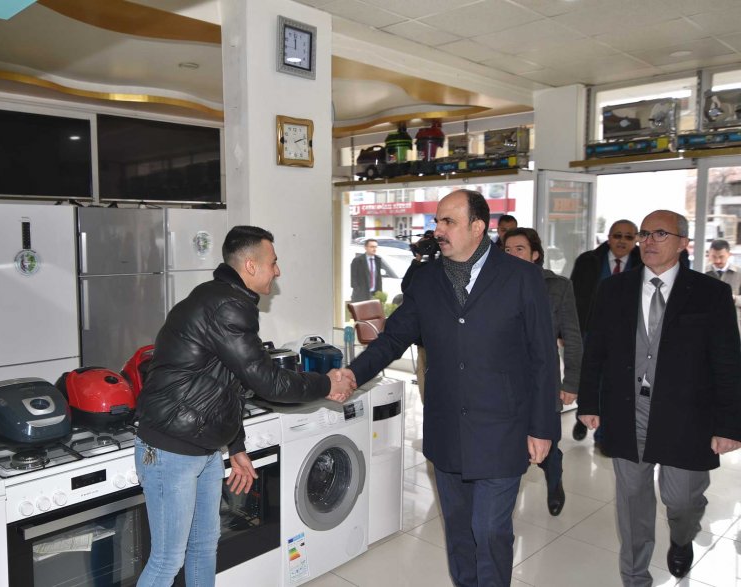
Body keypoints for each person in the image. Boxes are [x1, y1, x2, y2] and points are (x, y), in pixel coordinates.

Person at [344, 190, 559, 587]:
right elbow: (393, 338)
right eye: (437, 221)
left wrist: (543, 427)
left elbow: (543, 357)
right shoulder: (427, 279)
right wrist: (352, 375)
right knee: (458, 531)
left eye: (448, 222)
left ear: (478, 227)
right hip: (447, 430)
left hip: (502, 429)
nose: (438, 230)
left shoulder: (521, 277)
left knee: (489, 530)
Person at [134, 225, 356, 587]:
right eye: (273, 262)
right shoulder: (228, 306)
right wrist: (327, 383)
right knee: (167, 560)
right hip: (170, 450)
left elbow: (229, 383)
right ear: (250, 266)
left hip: (203, 448)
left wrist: (235, 446)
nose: (278, 271)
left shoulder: (223, 299)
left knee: (204, 546)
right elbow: (266, 382)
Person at [577, 210, 741, 585]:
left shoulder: (710, 293)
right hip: (628, 409)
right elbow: (596, 350)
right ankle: (635, 576)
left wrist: (730, 424)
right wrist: (588, 402)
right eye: (645, 234)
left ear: (684, 243)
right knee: (632, 500)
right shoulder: (614, 289)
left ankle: (683, 536)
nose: (648, 241)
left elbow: (728, 362)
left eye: (660, 234)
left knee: (682, 500)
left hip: (687, 415)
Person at [504, 227, 583, 517]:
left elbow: (572, 336)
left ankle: (554, 479)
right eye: (507, 250)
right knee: (509, 447)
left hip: (544, 380)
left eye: (520, 249)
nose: (512, 255)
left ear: (535, 254)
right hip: (505, 382)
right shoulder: (495, 285)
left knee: (548, 440)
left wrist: (571, 381)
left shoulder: (557, 286)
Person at [569, 219, 641, 443]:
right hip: (590, 329)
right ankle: (584, 415)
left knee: (614, 381)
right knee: (590, 375)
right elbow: (573, 295)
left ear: (636, 240)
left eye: (628, 237)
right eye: (617, 235)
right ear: (609, 237)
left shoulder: (643, 264)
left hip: (626, 334)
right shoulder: (588, 261)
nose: (622, 241)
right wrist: (567, 330)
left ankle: (603, 433)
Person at [401, 229, 439, 402]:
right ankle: (428, 407)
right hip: (424, 337)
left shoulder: (449, 266)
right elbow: (406, 286)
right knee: (423, 373)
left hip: (443, 337)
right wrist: (418, 257)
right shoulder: (421, 268)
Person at [705, 239, 741, 331]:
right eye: (714, 256)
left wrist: (734, 298)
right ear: (709, 254)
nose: (717, 260)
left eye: (721, 257)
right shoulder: (702, 272)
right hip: (708, 325)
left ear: (729, 254)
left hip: (733, 324)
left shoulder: (739, 273)